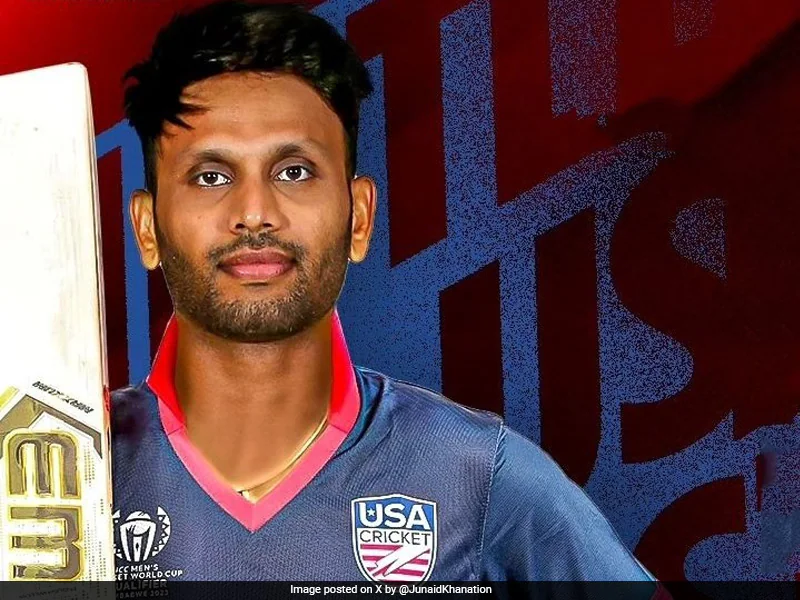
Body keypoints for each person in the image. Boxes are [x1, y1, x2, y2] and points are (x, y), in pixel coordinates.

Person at [112, 0, 666, 589]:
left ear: (360, 218)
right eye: (211, 177)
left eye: (294, 171)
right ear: (147, 229)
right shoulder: (71, 466)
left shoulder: (475, 474)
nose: (254, 212)